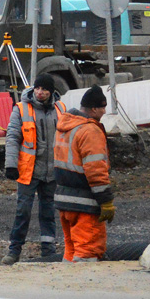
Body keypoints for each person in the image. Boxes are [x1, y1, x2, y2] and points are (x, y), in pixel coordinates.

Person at [1, 73, 66, 264]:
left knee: (49, 212)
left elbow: (67, 138)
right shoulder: (21, 109)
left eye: (44, 89)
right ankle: (14, 250)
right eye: (38, 88)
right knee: (23, 211)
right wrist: (11, 165)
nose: (40, 92)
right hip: (28, 171)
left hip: (52, 172)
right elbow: (12, 137)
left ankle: (48, 251)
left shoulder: (60, 108)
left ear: (51, 91)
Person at [53, 85, 114, 262]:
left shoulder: (65, 126)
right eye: (102, 107)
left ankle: (64, 285)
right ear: (94, 109)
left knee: (71, 250)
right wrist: (106, 201)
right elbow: (96, 170)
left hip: (64, 200)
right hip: (85, 203)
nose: (104, 111)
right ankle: (84, 286)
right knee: (88, 251)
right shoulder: (90, 130)